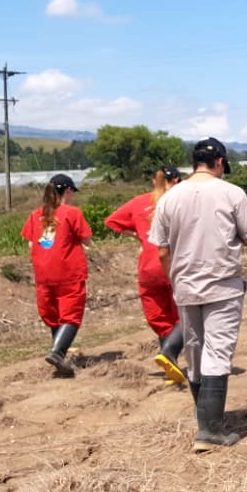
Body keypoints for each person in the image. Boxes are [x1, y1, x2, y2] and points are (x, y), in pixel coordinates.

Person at [148, 137, 247, 453]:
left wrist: (175, 278)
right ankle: (211, 431)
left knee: (194, 351)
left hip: (185, 285)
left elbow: (160, 250)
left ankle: (206, 422)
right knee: (218, 351)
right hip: (222, 284)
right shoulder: (232, 193)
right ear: (221, 162)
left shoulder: (170, 198)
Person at [105, 165, 187, 385]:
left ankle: (169, 360)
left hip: (148, 268)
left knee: (158, 316)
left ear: (154, 181)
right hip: (175, 264)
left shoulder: (139, 202)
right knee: (183, 314)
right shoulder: (181, 201)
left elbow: (111, 221)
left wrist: (140, 235)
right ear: (177, 181)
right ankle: (170, 354)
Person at [20, 173, 92, 378]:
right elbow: (87, 239)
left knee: (53, 316)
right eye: (72, 193)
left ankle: (57, 355)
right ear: (67, 191)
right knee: (70, 315)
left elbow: (32, 244)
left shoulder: (37, 215)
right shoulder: (72, 212)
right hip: (68, 272)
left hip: (43, 274)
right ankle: (58, 353)